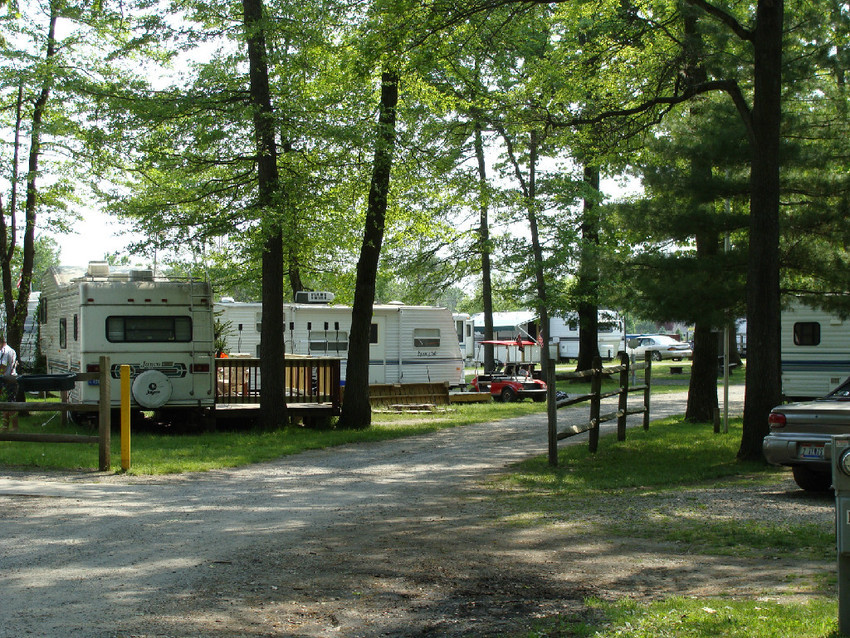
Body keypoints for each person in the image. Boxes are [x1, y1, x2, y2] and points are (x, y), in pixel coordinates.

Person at [0, 335, 18, 431]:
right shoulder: (11, 350)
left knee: (10, 404)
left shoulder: (5, 352)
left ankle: (14, 427)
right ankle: (5, 426)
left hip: (7, 380)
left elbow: (2, 367)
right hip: (11, 378)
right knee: (5, 403)